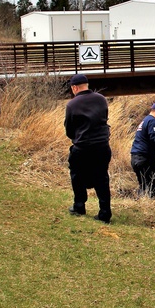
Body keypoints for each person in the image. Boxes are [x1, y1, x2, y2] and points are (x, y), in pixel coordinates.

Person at [64, 73, 113, 224]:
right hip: (102, 146)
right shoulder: (101, 99)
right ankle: (105, 213)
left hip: (83, 146)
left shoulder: (72, 105)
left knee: (77, 175)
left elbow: (69, 130)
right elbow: (105, 118)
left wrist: (76, 138)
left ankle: (79, 206)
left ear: (74, 87)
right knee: (102, 178)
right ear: (87, 85)